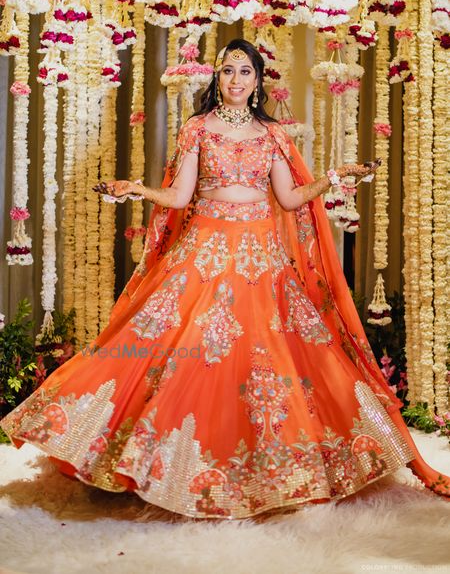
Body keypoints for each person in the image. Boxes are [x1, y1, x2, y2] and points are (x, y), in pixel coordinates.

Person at [1, 39, 448, 521]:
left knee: (277, 361)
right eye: (228, 71)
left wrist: (335, 178)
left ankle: (279, 471)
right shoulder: (198, 128)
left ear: (258, 81)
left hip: (261, 258)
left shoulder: (272, 134)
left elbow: (292, 199)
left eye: (244, 72)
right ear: (218, 77)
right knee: (173, 350)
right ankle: (158, 466)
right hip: (206, 251)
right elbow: (178, 198)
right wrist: (136, 188)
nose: (235, 80)